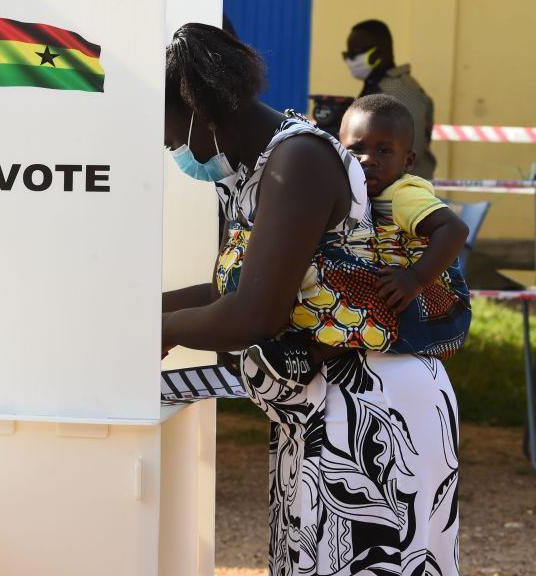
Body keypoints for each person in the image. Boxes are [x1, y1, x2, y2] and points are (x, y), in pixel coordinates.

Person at [162, 24, 468, 575]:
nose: (169, 147)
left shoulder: (296, 161)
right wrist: (140, 312)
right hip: (325, 406)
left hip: (374, 417)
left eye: (166, 131)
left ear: (195, 105)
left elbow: (256, 312)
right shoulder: (257, 169)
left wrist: (153, 331)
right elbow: (245, 286)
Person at [247, 94, 470, 385]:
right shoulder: (359, 194)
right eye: (356, 150)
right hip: (406, 302)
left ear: (408, 160)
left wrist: (414, 278)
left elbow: (454, 229)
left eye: (384, 151)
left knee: (340, 278)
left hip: (436, 308)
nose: (368, 160)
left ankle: (308, 357)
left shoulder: (403, 194)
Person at [344, 19, 437, 179]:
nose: (351, 60)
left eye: (357, 52)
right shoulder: (377, 85)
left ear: (380, 52)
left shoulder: (399, 92)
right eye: (348, 54)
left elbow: (414, 147)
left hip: (403, 189)